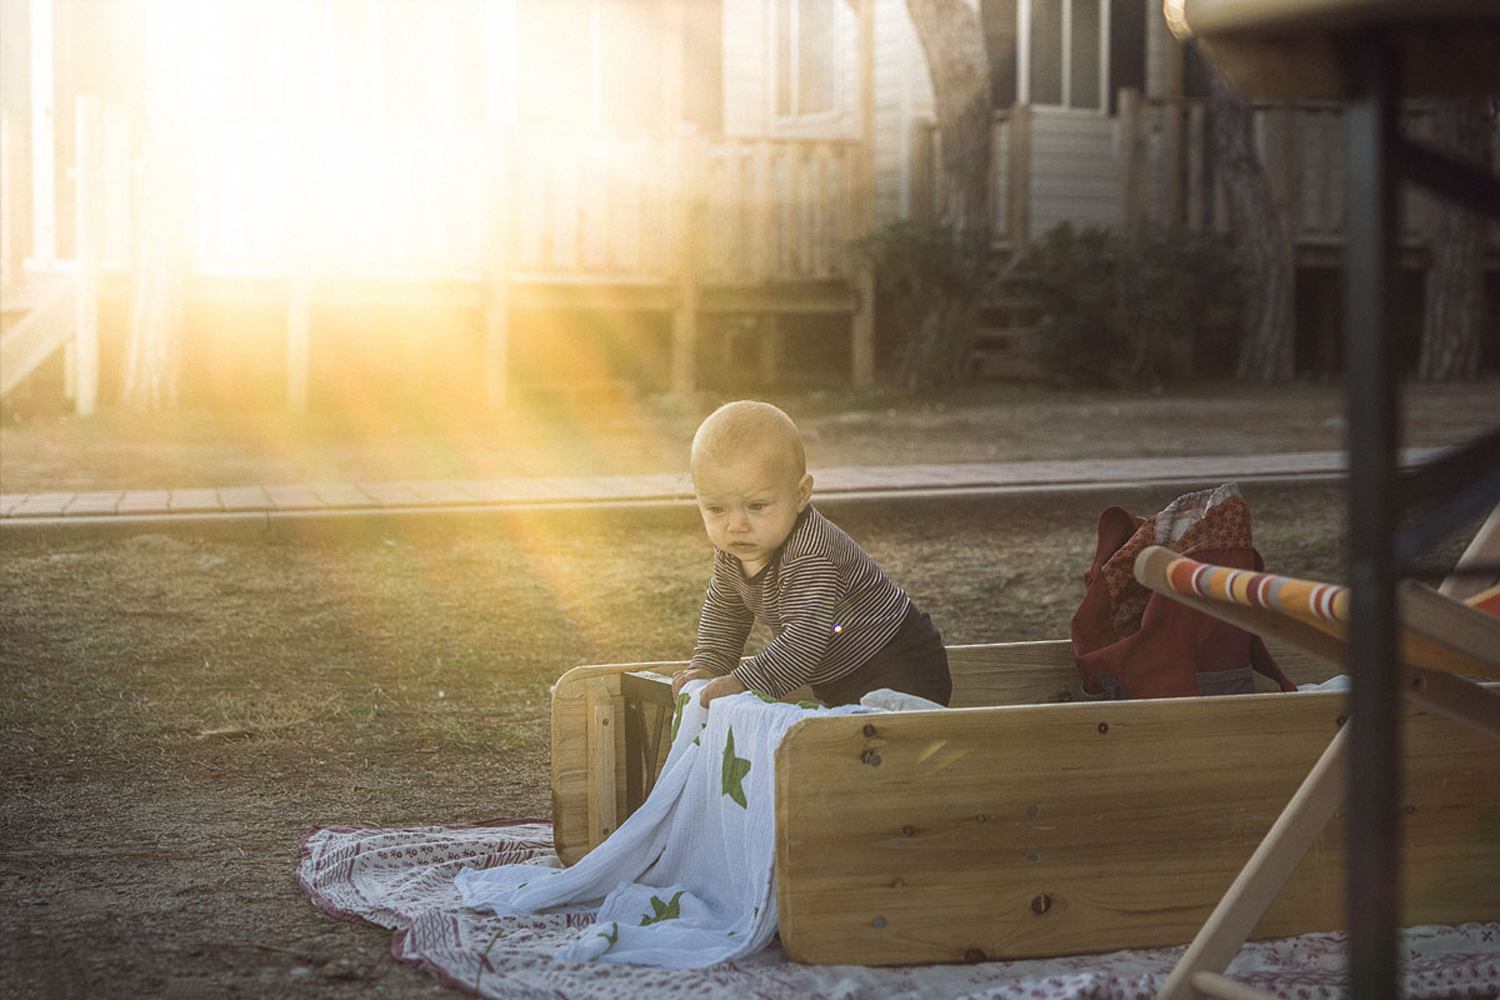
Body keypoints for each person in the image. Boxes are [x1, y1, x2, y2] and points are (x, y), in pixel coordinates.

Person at [671, 400, 952, 709]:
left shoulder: (810, 552)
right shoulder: (733, 551)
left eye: (756, 506)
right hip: (837, 678)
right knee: (844, 742)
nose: (736, 525)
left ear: (800, 495)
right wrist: (709, 664)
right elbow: (726, 613)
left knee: (880, 742)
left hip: (898, 665)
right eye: (717, 509)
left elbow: (805, 637)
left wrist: (745, 682)